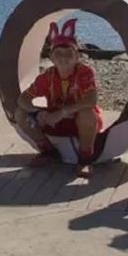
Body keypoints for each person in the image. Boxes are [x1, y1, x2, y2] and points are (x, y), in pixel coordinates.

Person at [17, 18, 104, 178]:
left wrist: (62, 112)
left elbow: (91, 100)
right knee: (20, 113)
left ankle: (85, 159)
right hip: (56, 121)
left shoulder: (84, 72)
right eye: (58, 54)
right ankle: (48, 151)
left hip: (80, 123)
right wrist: (38, 113)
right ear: (51, 57)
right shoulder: (48, 76)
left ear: (77, 56)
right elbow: (23, 99)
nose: (63, 58)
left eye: (69, 53)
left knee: (87, 112)